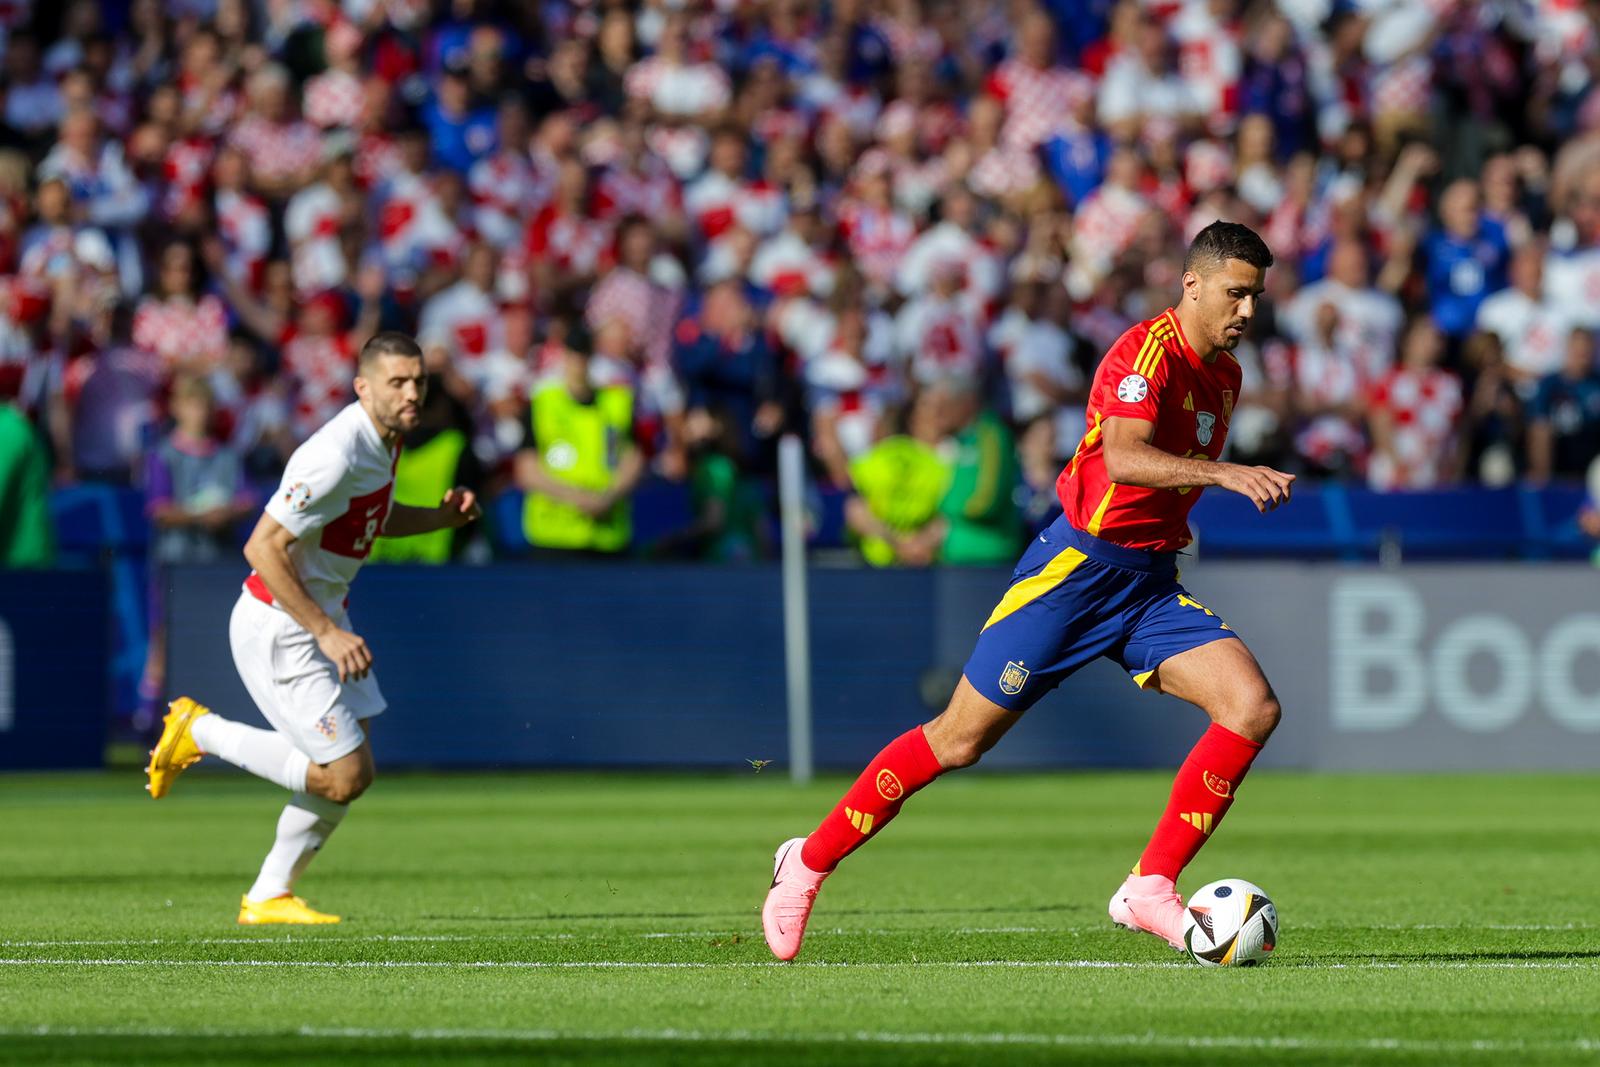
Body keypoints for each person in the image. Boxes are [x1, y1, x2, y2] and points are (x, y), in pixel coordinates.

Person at [761, 222, 1294, 960]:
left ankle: (1150, 887)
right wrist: (1227, 474)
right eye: (1236, 293)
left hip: (1145, 585)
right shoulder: (1143, 354)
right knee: (957, 740)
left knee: (1251, 706)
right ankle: (807, 862)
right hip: (1073, 578)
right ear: (1192, 285)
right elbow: (1127, 458)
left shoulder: (1226, 376)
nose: (1246, 311)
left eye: (1256, 297)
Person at [143, 332, 482, 924]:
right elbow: (261, 546)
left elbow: (367, 519)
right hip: (280, 624)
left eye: (418, 381)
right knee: (342, 773)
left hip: (316, 614)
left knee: (357, 769)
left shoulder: (386, 440)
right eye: (397, 382)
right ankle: (201, 733)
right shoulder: (335, 452)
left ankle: (270, 894)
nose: (411, 393)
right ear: (363, 387)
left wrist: (438, 518)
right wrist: (326, 631)